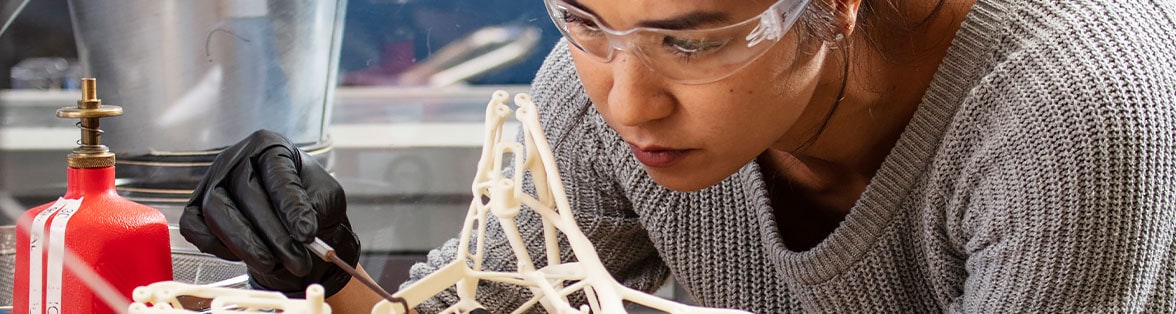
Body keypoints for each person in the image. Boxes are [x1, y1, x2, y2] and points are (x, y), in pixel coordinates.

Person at [180, 0, 1176, 312]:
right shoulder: (597, 90)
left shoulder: (1069, 112)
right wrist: (318, 264)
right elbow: (477, 304)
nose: (628, 94)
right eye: (582, 19)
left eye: (692, 42)